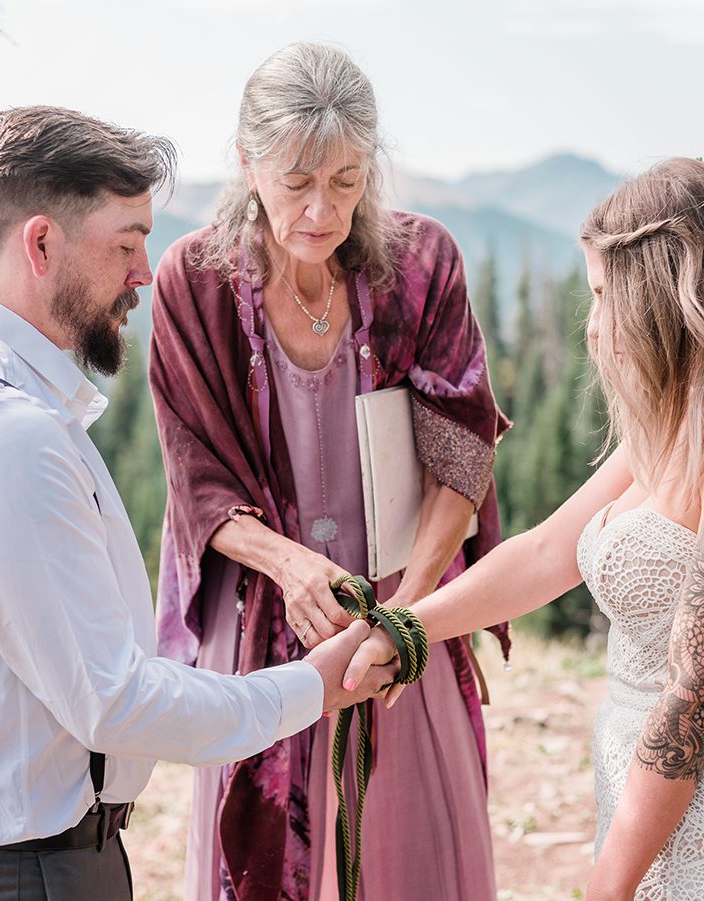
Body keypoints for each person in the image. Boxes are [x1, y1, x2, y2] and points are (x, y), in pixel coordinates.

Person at [0, 105, 391, 901]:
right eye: (125, 244)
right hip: (8, 875)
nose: (145, 273)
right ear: (41, 244)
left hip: (16, 859)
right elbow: (114, 701)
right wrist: (314, 686)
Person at [346, 157, 704, 901]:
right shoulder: (680, 428)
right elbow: (547, 552)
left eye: (606, 293)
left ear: (666, 294)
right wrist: (404, 630)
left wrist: (607, 886)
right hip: (643, 822)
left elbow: (688, 702)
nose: (595, 322)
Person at [149, 43, 510, 901]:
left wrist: (406, 617)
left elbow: (463, 453)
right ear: (246, 164)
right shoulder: (192, 284)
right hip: (263, 620)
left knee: (409, 843)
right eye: (298, 181)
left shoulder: (422, 264)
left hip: (406, 603)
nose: (322, 209)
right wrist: (291, 563)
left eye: (346, 181)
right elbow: (194, 474)